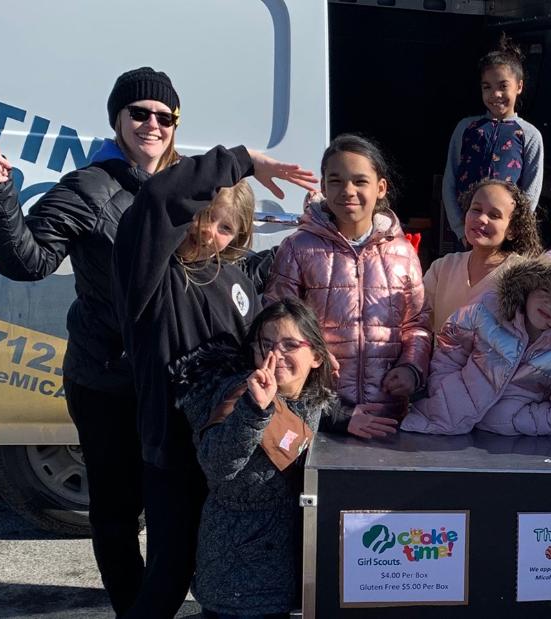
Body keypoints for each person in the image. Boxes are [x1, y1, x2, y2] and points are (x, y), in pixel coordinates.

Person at [0, 67, 181, 614]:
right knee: (115, 512)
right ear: (117, 120)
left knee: (173, 507)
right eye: (139, 113)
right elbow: (27, 260)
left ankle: (159, 604)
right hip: (105, 378)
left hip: (173, 380)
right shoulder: (89, 187)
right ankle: (134, 607)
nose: (151, 124)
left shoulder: (186, 188)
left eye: (164, 116)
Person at [113, 143, 317, 619]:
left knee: (226, 570)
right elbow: (159, 203)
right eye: (203, 217)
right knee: (167, 577)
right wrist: (242, 161)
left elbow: (271, 361)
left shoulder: (236, 284)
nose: (209, 233)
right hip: (175, 455)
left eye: (226, 227)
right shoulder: (151, 275)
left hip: (231, 456)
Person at [173, 298, 350, 619]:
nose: (274, 355)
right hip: (238, 571)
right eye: (265, 344)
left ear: (316, 358)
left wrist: (351, 419)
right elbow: (216, 466)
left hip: (281, 570)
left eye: (289, 345)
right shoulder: (241, 394)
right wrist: (255, 411)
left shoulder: (309, 398)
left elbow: (321, 409)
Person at [266, 134, 432, 421]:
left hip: (388, 410)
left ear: (380, 188)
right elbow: (277, 321)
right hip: (319, 410)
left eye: (359, 181)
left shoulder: (402, 252)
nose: (348, 190)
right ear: (323, 187)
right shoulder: (298, 248)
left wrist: (411, 368)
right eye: (336, 180)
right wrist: (310, 354)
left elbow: (417, 323)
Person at [401, 243, 551, 436]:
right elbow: (452, 343)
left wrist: (515, 420)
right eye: (545, 289)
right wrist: (445, 386)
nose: (550, 303)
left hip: (512, 448)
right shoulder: (490, 309)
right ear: (529, 284)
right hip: (441, 418)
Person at [442, 33, 544, 243]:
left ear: (519, 86)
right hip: (466, 235)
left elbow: (531, 190)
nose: (495, 94)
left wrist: (510, 231)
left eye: (503, 86)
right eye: (487, 87)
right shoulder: (466, 128)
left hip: (504, 237)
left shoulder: (529, 134)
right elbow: (449, 181)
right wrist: (461, 230)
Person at [424, 178, 543, 332]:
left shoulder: (522, 275)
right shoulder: (443, 267)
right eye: (476, 209)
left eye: (494, 215)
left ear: (512, 230)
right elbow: (418, 320)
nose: (481, 219)